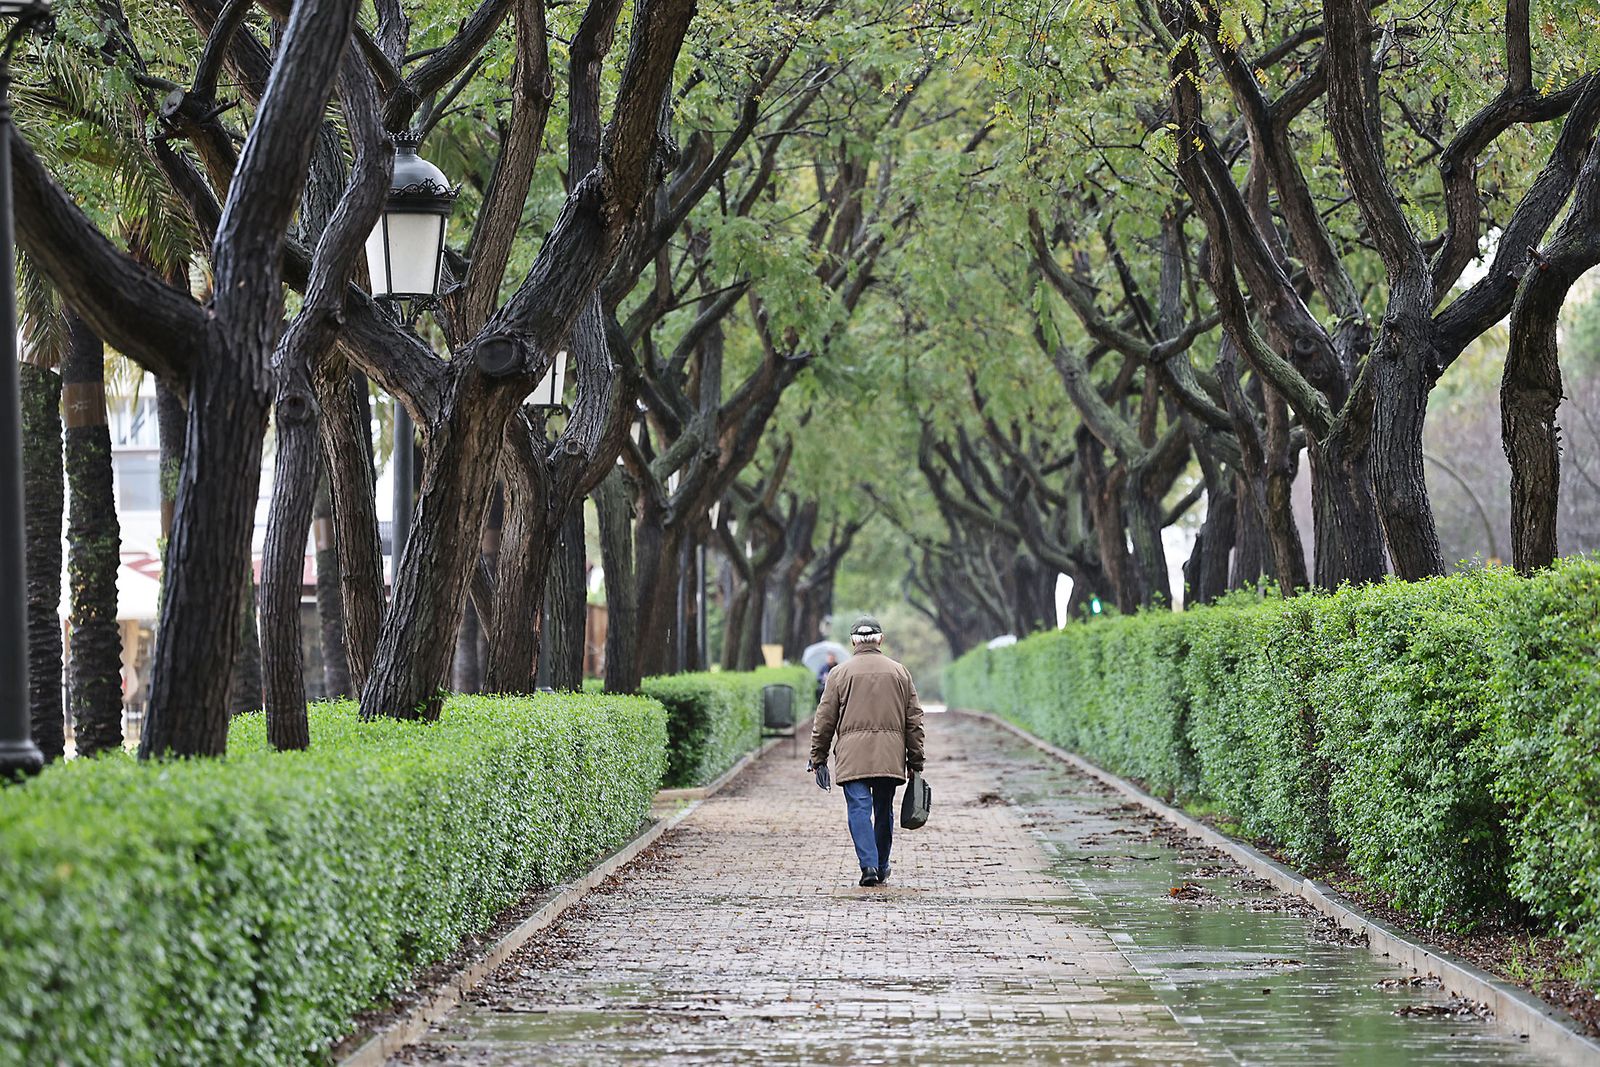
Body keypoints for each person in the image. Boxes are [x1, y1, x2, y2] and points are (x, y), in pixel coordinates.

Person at [807, 615, 926, 887]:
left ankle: (869, 866)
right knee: (884, 810)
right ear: (880, 639)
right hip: (889, 756)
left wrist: (818, 757)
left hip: (852, 757)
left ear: (853, 642)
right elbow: (914, 721)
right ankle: (882, 865)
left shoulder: (839, 674)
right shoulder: (900, 673)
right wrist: (916, 760)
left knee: (859, 809)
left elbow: (824, 720)